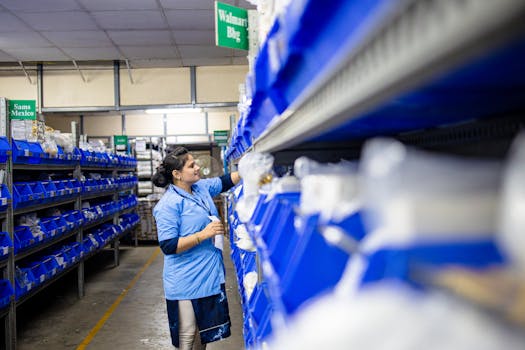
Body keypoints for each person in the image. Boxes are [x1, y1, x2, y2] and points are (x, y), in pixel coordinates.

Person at [152, 146, 241, 350]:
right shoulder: (169, 205)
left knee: (203, 335)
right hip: (186, 280)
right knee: (188, 335)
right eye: (191, 165)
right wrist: (204, 234)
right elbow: (168, 245)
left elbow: (225, 181)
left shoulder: (200, 188)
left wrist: (248, 169)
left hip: (207, 277)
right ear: (177, 174)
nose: (197, 167)